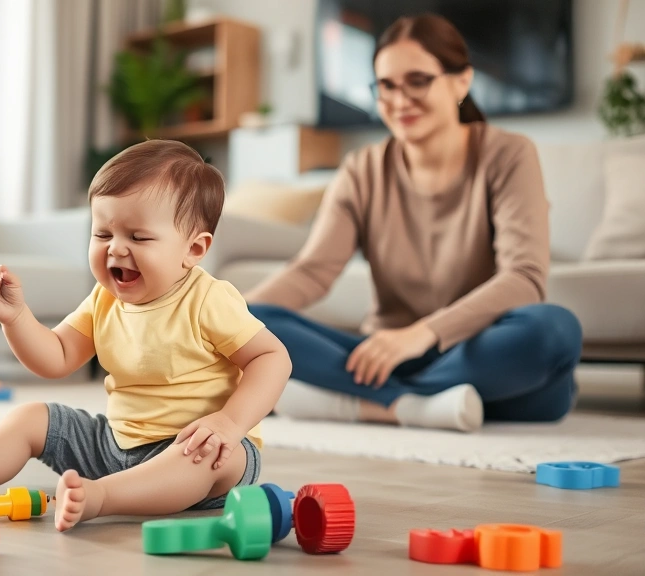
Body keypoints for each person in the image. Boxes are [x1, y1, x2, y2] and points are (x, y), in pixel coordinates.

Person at [0, 139, 292, 531]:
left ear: (193, 249)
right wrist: (16, 319)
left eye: (139, 236)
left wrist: (230, 424)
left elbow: (272, 358)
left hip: (202, 452)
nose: (116, 248)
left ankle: (102, 498)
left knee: (215, 457)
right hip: (115, 447)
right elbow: (55, 358)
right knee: (34, 416)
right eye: (103, 232)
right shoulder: (104, 299)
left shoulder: (208, 299)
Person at [244, 14, 582, 432]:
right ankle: (412, 404)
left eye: (418, 80)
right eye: (386, 85)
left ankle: (357, 400)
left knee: (553, 330)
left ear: (461, 82)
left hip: (474, 349)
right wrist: (225, 321)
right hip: (382, 355)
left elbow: (525, 278)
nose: (399, 99)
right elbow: (313, 272)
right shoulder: (361, 170)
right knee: (253, 317)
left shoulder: (509, 154)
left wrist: (423, 333)